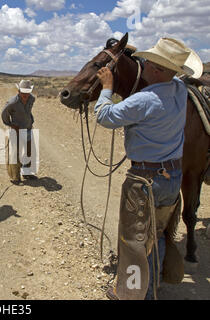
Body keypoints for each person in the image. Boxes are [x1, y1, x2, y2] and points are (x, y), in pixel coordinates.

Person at [94, 38, 203, 300]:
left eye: (150, 62)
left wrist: (107, 88)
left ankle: (133, 294)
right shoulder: (178, 89)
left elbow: (104, 116)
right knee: (158, 234)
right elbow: (162, 73)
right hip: (171, 178)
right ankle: (151, 285)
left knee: (135, 240)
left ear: (154, 68)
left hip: (145, 179)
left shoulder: (143, 100)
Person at [1, 79, 37, 183]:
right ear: (18, 91)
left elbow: (28, 111)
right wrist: (11, 125)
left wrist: (31, 120)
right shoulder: (13, 102)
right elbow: (4, 114)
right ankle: (15, 177)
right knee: (15, 153)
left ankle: (26, 173)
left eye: (27, 92)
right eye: (23, 93)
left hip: (28, 129)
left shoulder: (32, 99)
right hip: (16, 130)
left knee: (29, 152)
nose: (25, 95)